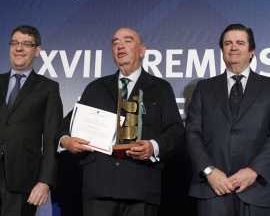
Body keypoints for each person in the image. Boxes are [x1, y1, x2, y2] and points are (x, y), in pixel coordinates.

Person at [55, 27, 184, 216]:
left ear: (141, 50)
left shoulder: (160, 88)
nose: (120, 46)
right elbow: (68, 123)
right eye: (115, 42)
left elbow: (176, 131)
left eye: (127, 40)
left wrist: (153, 146)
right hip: (99, 188)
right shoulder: (96, 88)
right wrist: (66, 140)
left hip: (140, 187)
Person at [186, 24, 270, 216]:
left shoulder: (268, 87)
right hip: (213, 189)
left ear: (251, 51)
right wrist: (209, 171)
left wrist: (254, 170)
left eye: (240, 43)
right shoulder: (204, 88)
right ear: (222, 50)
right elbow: (192, 133)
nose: (233, 47)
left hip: (257, 188)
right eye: (228, 43)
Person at [0, 25, 63, 215]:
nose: (19, 48)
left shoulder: (48, 88)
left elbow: (53, 139)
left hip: (23, 180)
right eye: (15, 43)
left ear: (37, 51)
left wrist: (44, 182)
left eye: (26, 44)